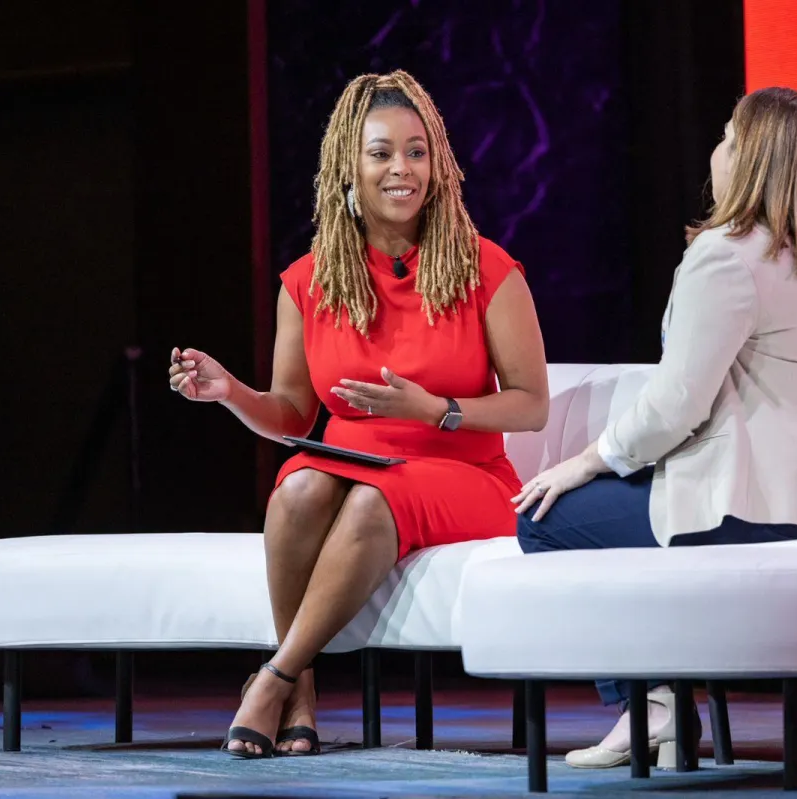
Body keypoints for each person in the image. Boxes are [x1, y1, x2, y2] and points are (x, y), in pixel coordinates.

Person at [169, 70, 549, 758]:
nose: (402, 169)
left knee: (374, 500)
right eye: (381, 153)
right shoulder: (308, 281)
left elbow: (531, 404)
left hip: (464, 474)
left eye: (416, 152)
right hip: (352, 465)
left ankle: (273, 677)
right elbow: (292, 415)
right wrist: (230, 392)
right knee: (297, 489)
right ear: (349, 166)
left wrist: (436, 409)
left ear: (437, 165)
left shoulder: (486, 269)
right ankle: (303, 691)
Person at [513, 86, 797, 769]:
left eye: (728, 139)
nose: (716, 153)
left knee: (547, 518)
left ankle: (650, 703)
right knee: (613, 519)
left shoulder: (725, 256)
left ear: (753, 163)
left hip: (749, 508)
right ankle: (663, 698)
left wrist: (587, 459)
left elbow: (674, 406)